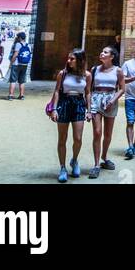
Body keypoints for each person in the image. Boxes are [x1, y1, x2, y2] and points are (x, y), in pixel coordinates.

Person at [48, 47, 92, 183]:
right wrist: (54, 109)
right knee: (62, 138)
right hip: (64, 103)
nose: (69, 61)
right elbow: (56, 91)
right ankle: (62, 168)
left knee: (78, 138)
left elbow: (88, 93)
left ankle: (74, 160)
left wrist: (89, 110)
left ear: (80, 60)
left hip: (79, 103)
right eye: (68, 58)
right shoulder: (63, 73)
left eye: (72, 59)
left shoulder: (87, 75)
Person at [88, 45, 124, 178]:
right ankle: (96, 164)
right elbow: (89, 89)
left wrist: (112, 100)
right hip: (96, 100)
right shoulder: (94, 69)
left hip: (111, 101)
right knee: (97, 132)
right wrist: (89, 106)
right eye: (102, 51)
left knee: (108, 134)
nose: (102, 53)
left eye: (105, 52)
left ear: (112, 57)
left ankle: (104, 157)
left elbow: (122, 88)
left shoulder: (118, 70)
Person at [7, 31, 31, 99]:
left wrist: (11, 63)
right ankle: (21, 95)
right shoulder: (28, 45)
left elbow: (15, 55)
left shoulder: (18, 44)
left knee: (13, 80)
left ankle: (11, 95)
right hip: (25, 64)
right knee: (22, 81)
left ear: (20, 37)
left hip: (16, 64)